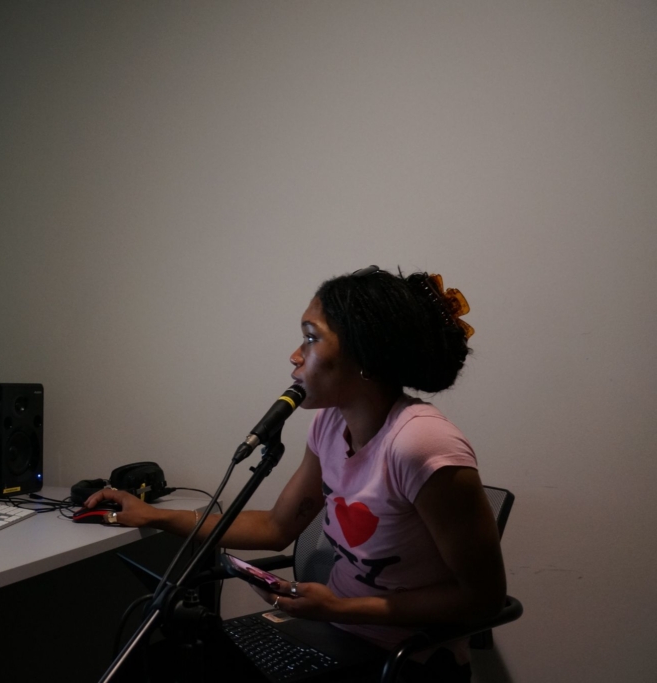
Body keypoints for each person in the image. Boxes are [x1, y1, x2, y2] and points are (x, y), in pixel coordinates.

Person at [84, 266, 507, 682]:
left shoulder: (422, 444)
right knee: (155, 664)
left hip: (402, 660)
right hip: (332, 635)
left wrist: (337, 609)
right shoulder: (329, 425)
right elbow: (274, 526)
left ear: (364, 354)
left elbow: (484, 600)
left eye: (311, 337)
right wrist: (152, 516)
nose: (295, 354)